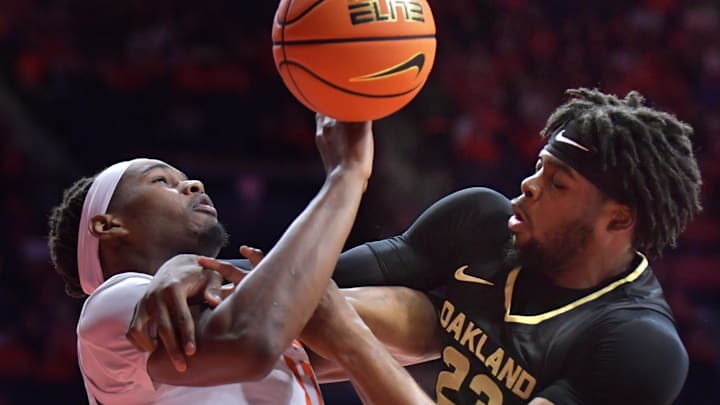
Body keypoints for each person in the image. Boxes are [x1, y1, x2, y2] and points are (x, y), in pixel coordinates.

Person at [134, 88, 702, 405]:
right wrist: (197, 268)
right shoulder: (483, 221)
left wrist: (350, 340)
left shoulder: (636, 347)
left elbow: (337, 321)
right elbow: (312, 277)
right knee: (329, 302)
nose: (528, 186)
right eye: (538, 168)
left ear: (618, 219)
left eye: (557, 185)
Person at [47, 116, 433, 405]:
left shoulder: (236, 307)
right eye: (160, 181)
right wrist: (346, 175)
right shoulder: (111, 306)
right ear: (107, 224)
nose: (193, 184)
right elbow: (252, 343)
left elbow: (393, 335)